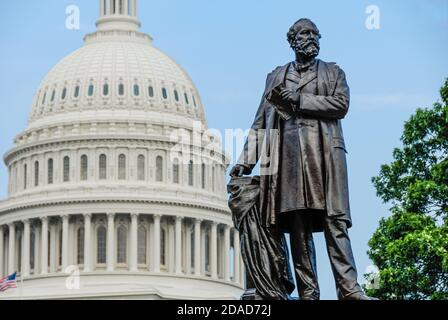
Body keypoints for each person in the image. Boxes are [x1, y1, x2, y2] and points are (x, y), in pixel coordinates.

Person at [230, 18, 376, 300]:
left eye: (314, 34)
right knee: (299, 227)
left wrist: (298, 100)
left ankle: (349, 289)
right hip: (288, 162)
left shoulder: (333, 72)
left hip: (324, 157)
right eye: (304, 33)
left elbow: (340, 105)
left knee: (336, 223)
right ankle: (309, 292)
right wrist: (244, 161)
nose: (311, 38)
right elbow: (261, 122)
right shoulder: (276, 76)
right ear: (292, 40)